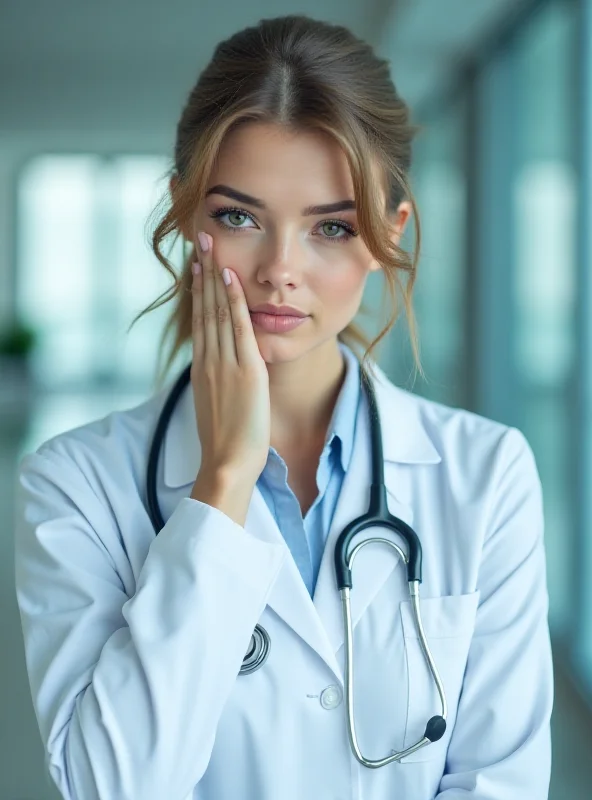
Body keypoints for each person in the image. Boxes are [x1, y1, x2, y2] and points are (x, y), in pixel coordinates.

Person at [13, 13, 553, 800]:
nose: (279, 271)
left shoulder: (487, 474)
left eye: (330, 228)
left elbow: (500, 780)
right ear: (186, 214)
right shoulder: (74, 487)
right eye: (239, 218)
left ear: (385, 235)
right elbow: (109, 787)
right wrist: (222, 484)